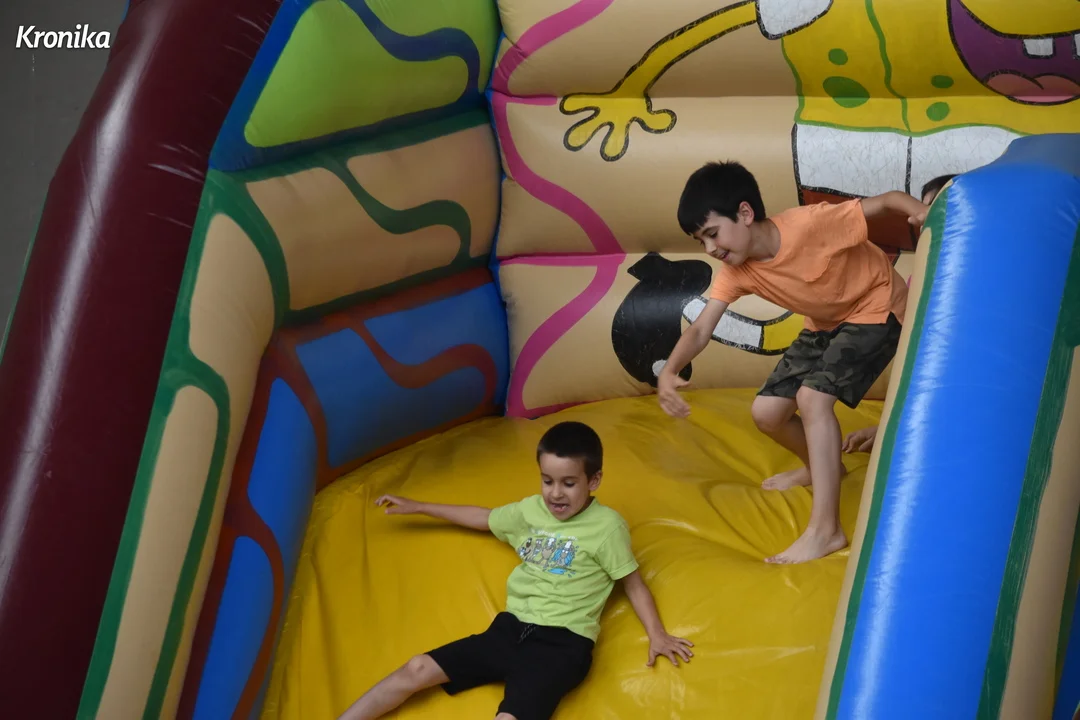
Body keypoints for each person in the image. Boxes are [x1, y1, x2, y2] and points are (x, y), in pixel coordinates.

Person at [658, 160, 929, 564]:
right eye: (701, 242)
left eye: (712, 233)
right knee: (767, 413)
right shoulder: (736, 271)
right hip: (825, 323)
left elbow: (887, 201)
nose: (711, 249)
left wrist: (923, 213)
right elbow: (700, 330)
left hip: (876, 306)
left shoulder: (810, 225)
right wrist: (669, 370)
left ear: (745, 213)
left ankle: (826, 530)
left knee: (813, 398)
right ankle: (821, 467)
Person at [337, 421, 693, 720]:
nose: (555, 494)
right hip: (508, 631)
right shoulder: (530, 511)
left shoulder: (607, 527)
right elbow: (484, 517)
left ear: (594, 480)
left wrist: (657, 634)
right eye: (547, 480)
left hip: (561, 646)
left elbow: (632, 583)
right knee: (416, 668)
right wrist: (420, 506)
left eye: (569, 483)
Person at [841, 173, 957, 456]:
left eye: (931, 210)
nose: (917, 221)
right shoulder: (921, 278)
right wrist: (888, 427)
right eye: (921, 210)